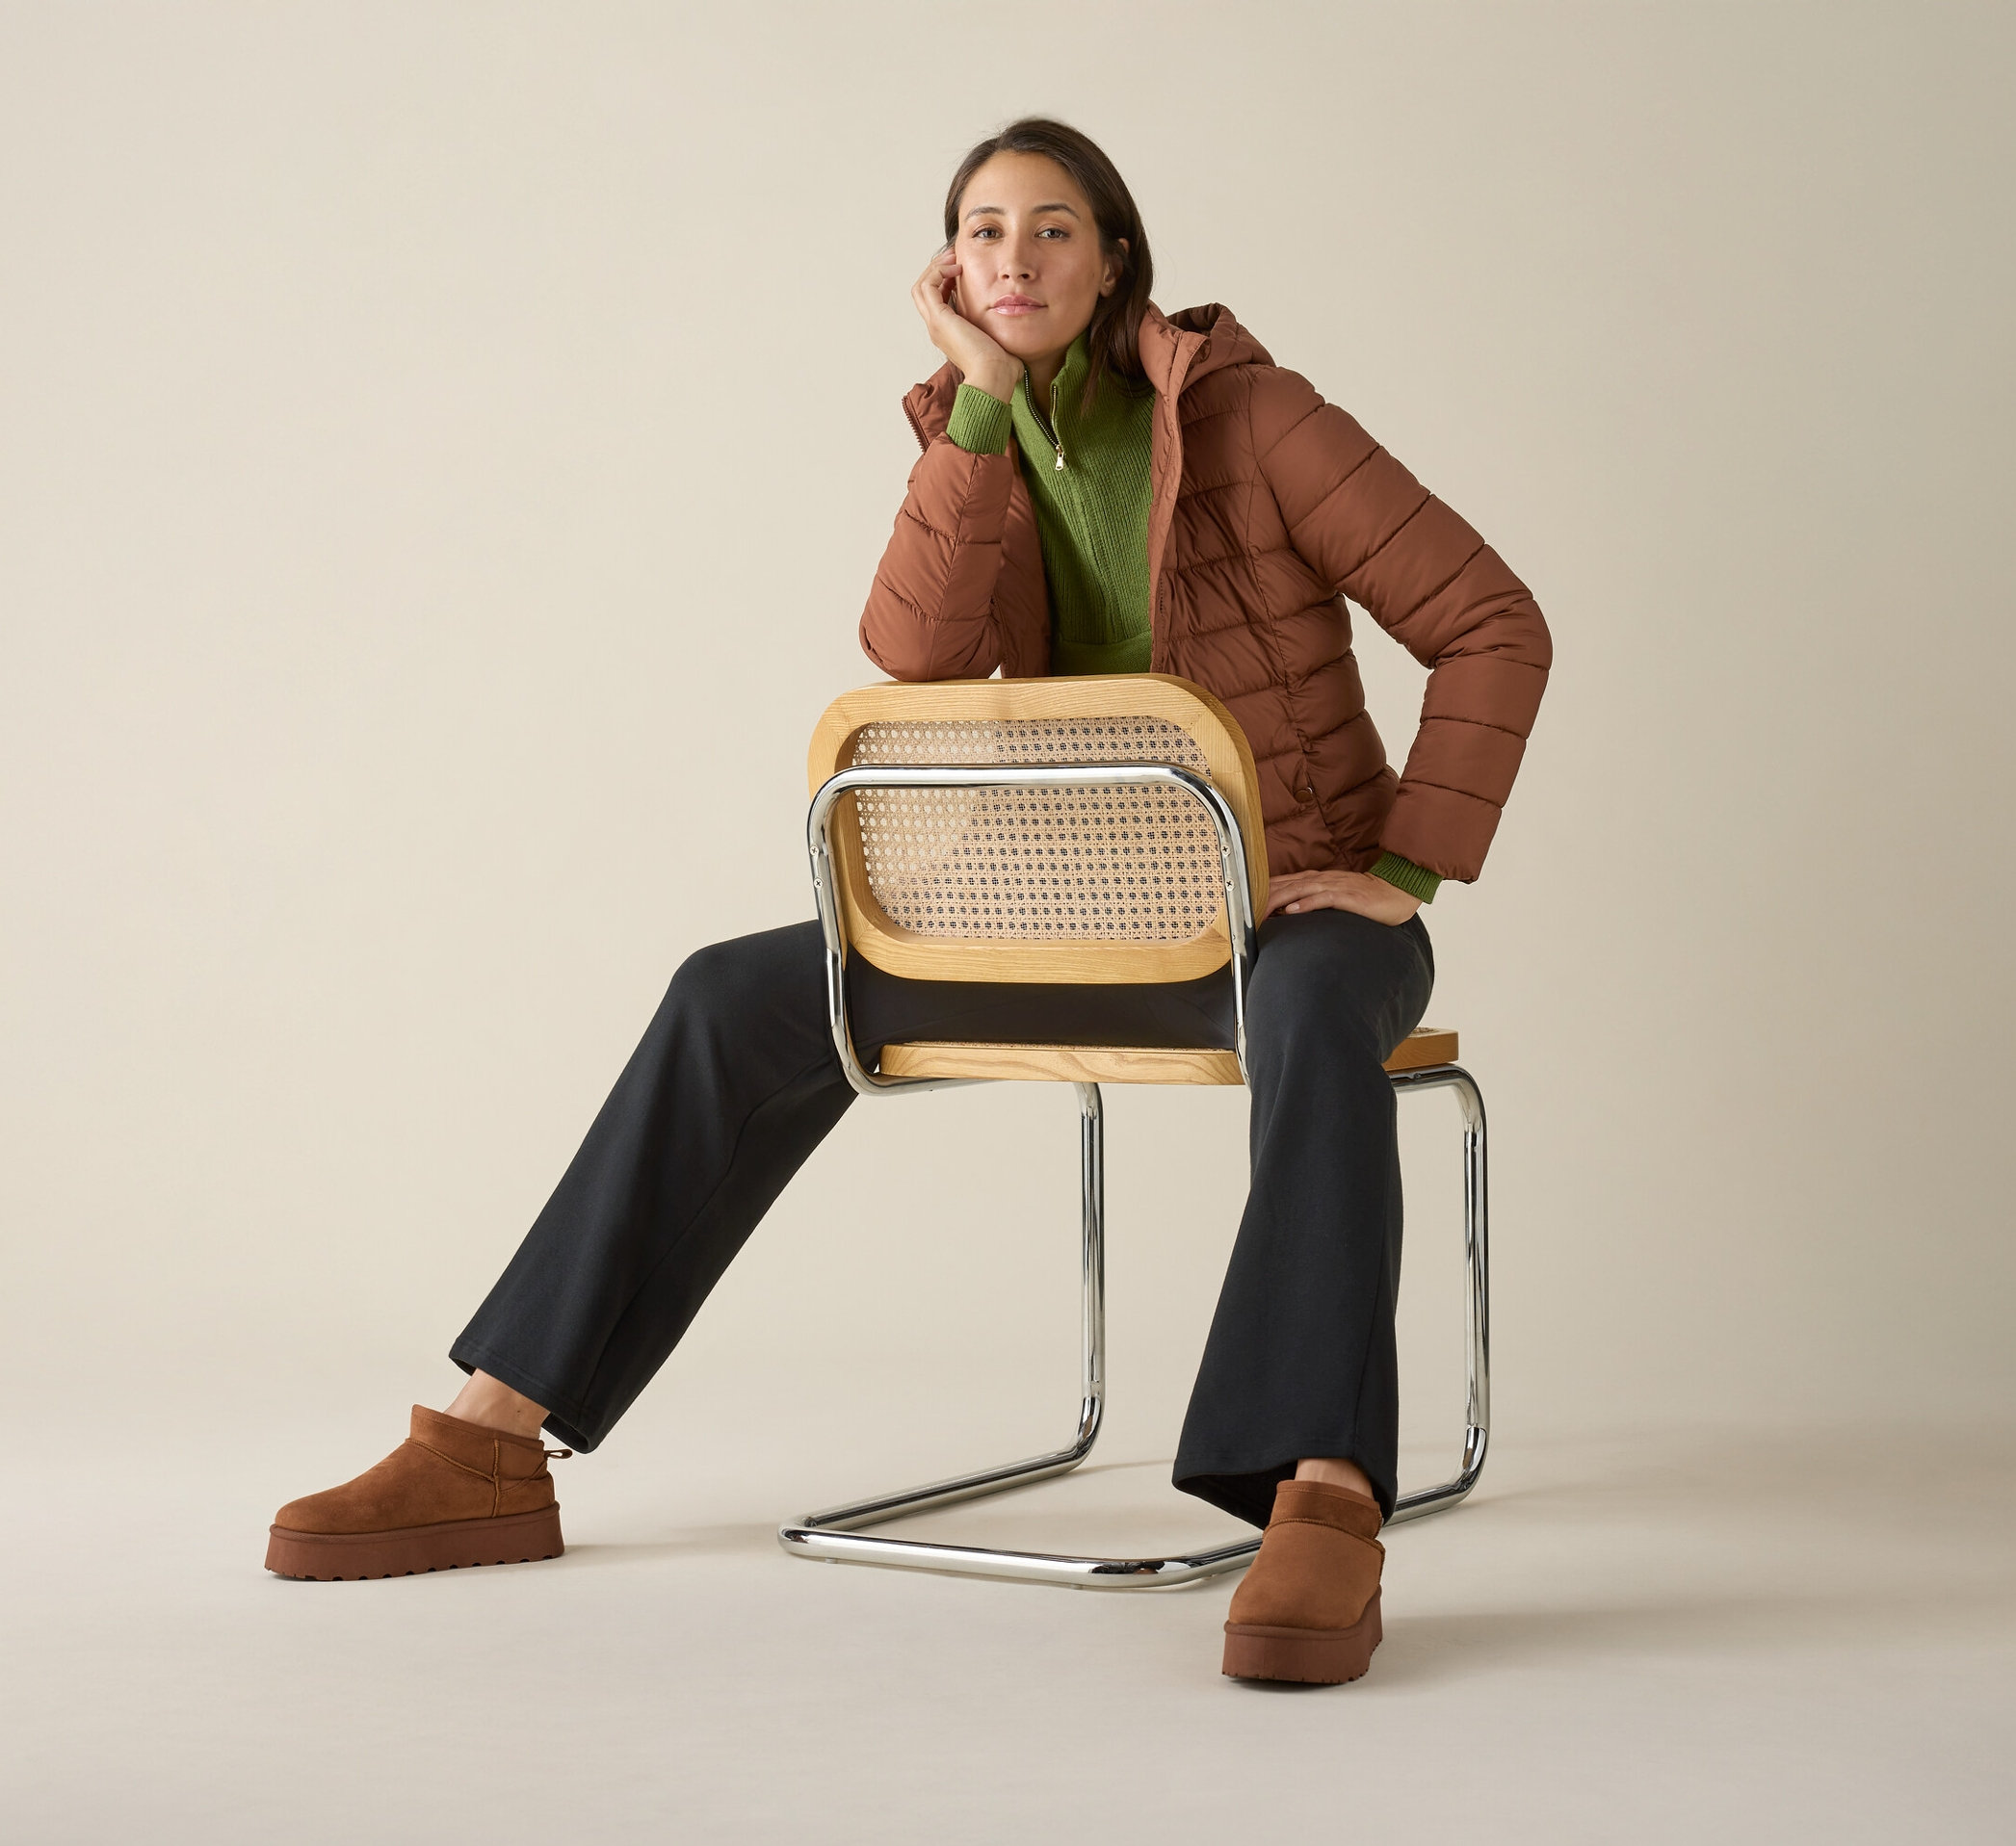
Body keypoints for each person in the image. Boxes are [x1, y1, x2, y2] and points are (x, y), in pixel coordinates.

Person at [265, 117, 1551, 1687]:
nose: (1016, 256)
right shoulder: (975, 429)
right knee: (727, 992)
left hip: (1296, 926)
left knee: (1304, 1006)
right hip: (1084, 913)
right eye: (983, 231)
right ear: (949, 269)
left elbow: (1491, 619)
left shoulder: (1261, 420)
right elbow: (917, 658)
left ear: (1116, 258)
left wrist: (1403, 867)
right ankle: (491, 1434)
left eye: (1054, 228)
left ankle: (1322, 1497)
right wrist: (980, 417)